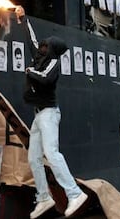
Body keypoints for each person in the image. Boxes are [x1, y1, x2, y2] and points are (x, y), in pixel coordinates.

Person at [23, 37, 88, 218]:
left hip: (49, 114)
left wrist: (29, 71)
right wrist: (22, 19)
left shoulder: (53, 63)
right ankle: (43, 198)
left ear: (51, 49)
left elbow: (44, 79)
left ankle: (75, 194)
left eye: (45, 46)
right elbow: (31, 42)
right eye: (42, 46)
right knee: (33, 158)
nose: (41, 48)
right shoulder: (41, 59)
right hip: (38, 115)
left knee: (52, 153)